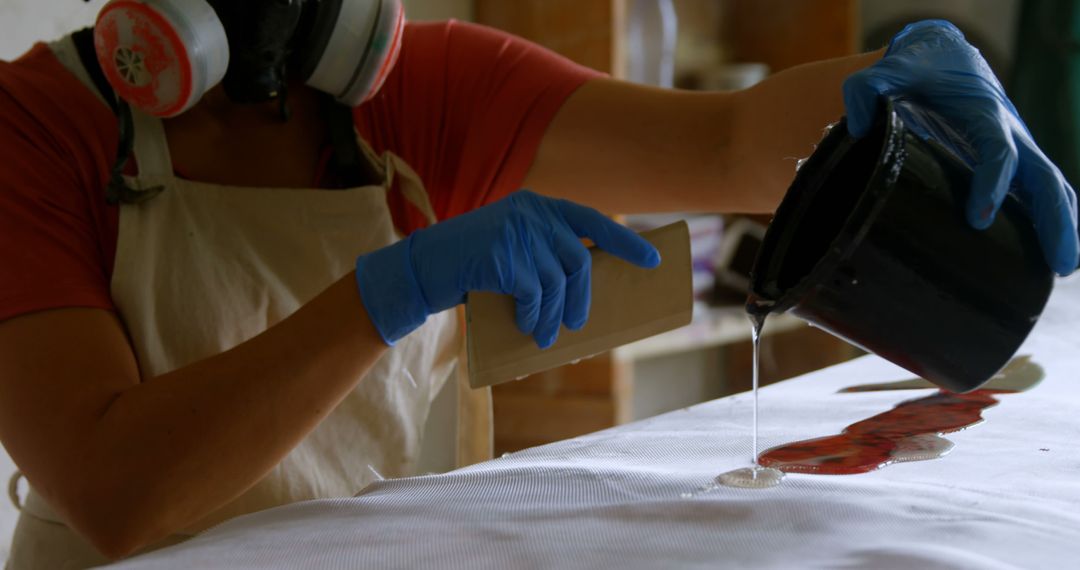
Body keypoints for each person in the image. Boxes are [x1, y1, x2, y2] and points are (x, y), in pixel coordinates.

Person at [0, 0, 1075, 567]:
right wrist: (386, 293)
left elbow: (734, 149)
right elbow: (115, 492)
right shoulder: (34, 128)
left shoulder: (414, 92)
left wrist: (883, 92)